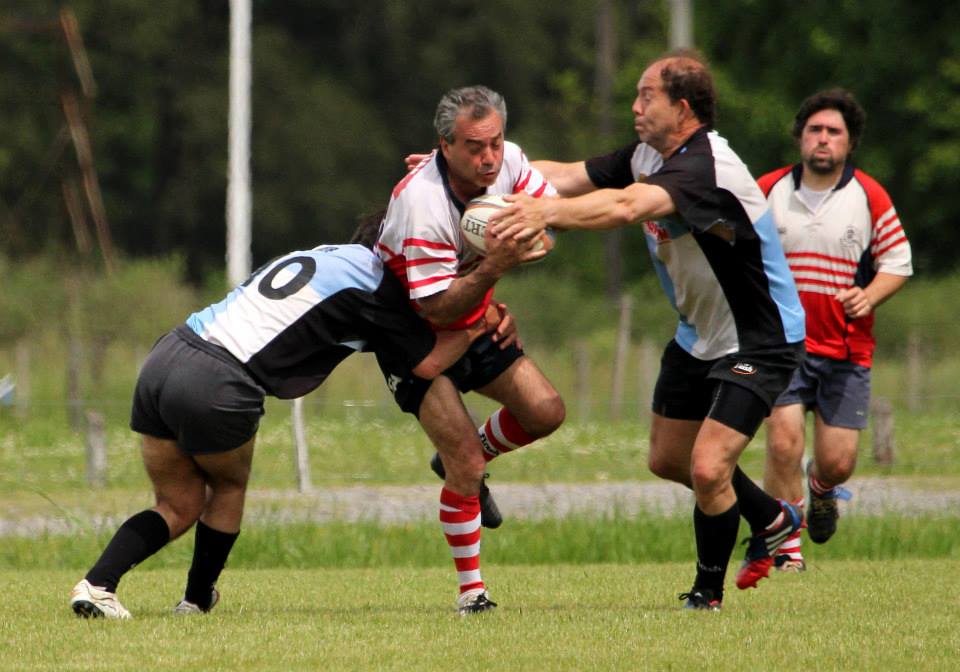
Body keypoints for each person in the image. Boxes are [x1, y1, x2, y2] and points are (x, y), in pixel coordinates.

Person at [68, 214, 527, 620]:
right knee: (227, 487)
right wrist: (477, 324)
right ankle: (195, 600)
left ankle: (98, 585)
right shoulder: (378, 287)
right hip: (221, 378)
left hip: (168, 354)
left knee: (177, 504)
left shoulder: (324, 255)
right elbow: (426, 362)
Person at [491, 50, 805, 611]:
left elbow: (624, 207)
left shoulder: (706, 167)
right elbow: (563, 176)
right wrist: (478, 175)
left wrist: (545, 216)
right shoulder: (646, 154)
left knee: (709, 468)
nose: (635, 106)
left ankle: (706, 596)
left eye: (646, 96)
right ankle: (772, 517)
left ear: (682, 108)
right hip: (698, 336)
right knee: (668, 460)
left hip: (761, 339)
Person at [375, 85, 566, 614]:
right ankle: (472, 594)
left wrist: (513, 258)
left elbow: (547, 233)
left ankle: (473, 457)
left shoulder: (510, 167)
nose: (489, 158)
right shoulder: (422, 201)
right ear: (444, 146)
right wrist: (497, 268)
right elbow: (435, 308)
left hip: (472, 311)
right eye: (474, 146)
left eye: (496, 143)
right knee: (464, 463)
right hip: (409, 329)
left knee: (546, 411)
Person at [758, 89, 912, 571]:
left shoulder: (869, 195)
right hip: (781, 347)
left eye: (834, 132)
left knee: (838, 461)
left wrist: (869, 295)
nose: (823, 139)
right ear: (800, 137)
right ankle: (786, 549)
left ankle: (823, 489)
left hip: (845, 349)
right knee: (782, 442)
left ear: (849, 143)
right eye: (815, 130)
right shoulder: (767, 190)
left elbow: (899, 262)